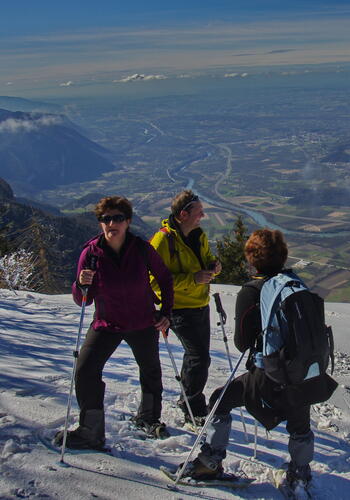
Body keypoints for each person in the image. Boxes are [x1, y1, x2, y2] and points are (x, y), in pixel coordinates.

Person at [178, 229, 314, 490]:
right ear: (283, 256)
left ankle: (210, 463)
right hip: (301, 373)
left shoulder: (252, 291)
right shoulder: (296, 284)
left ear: (252, 258)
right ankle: (300, 475)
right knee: (300, 423)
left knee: (219, 401)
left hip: (269, 375)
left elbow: (242, 343)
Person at [55, 196, 174, 449]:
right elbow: (81, 300)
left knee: (150, 372)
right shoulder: (91, 254)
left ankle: (149, 419)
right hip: (107, 323)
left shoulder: (141, 249)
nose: (111, 223)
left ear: (128, 221)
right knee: (86, 370)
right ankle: (91, 430)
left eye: (117, 218)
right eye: (105, 218)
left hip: (143, 321)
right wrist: (80, 284)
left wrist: (166, 312)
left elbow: (164, 277)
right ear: (100, 223)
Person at [149, 190, 221, 426]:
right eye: (199, 212)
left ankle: (188, 400)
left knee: (196, 358)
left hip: (201, 304)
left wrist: (214, 266)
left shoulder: (198, 235)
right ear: (183, 214)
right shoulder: (162, 241)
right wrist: (193, 279)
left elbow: (207, 259)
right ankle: (193, 407)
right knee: (199, 358)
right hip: (179, 309)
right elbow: (153, 282)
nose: (203, 216)